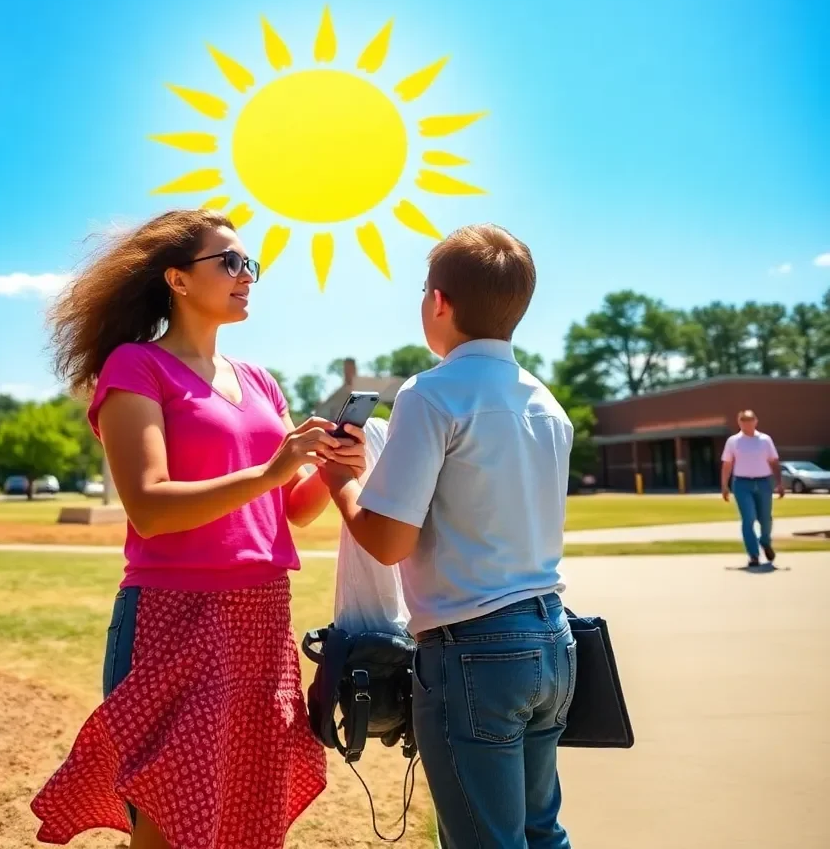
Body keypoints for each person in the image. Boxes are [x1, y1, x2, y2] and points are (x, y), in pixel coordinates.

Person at [30, 209, 366, 849]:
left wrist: (328, 467)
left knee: (248, 810)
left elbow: (288, 510)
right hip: (173, 617)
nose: (247, 276)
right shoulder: (137, 367)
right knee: (169, 817)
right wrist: (272, 471)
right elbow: (150, 507)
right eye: (230, 262)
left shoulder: (261, 380)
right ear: (178, 281)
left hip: (262, 619)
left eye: (251, 266)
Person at [324, 224, 576, 849]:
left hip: (475, 647)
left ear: (438, 300)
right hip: (553, 637)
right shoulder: (547, 403)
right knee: (541, 832)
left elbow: (387, 542)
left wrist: (340, 483)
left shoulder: (431, 393)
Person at [721, 409, 784, 567]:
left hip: (763, 482)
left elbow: (774, 462)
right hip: (742, 483)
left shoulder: (765, 440)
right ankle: (753, 555)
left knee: (765, 518)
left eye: (749, 420)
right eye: (743, 420)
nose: (746, 423)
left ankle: (765, 541)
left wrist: (779, 482)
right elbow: (727, 464)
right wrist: (724, 485)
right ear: (739, 422)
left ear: (755, 421)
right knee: (748, 518)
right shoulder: (733, 441)